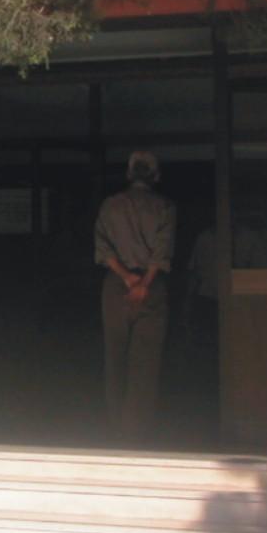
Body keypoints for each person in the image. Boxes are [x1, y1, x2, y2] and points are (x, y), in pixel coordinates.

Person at [95, 150, 176, 440]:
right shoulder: (164, 207)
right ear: (156, 176)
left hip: (117, 286)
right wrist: (144, 283)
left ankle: (115, 427)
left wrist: (126, 277)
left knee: (115, 355)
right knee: (145, 361)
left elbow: (103, 248)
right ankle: (137, 430)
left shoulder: (110, 206)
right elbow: (162, 250)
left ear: (129, 174)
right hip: (151, 287)